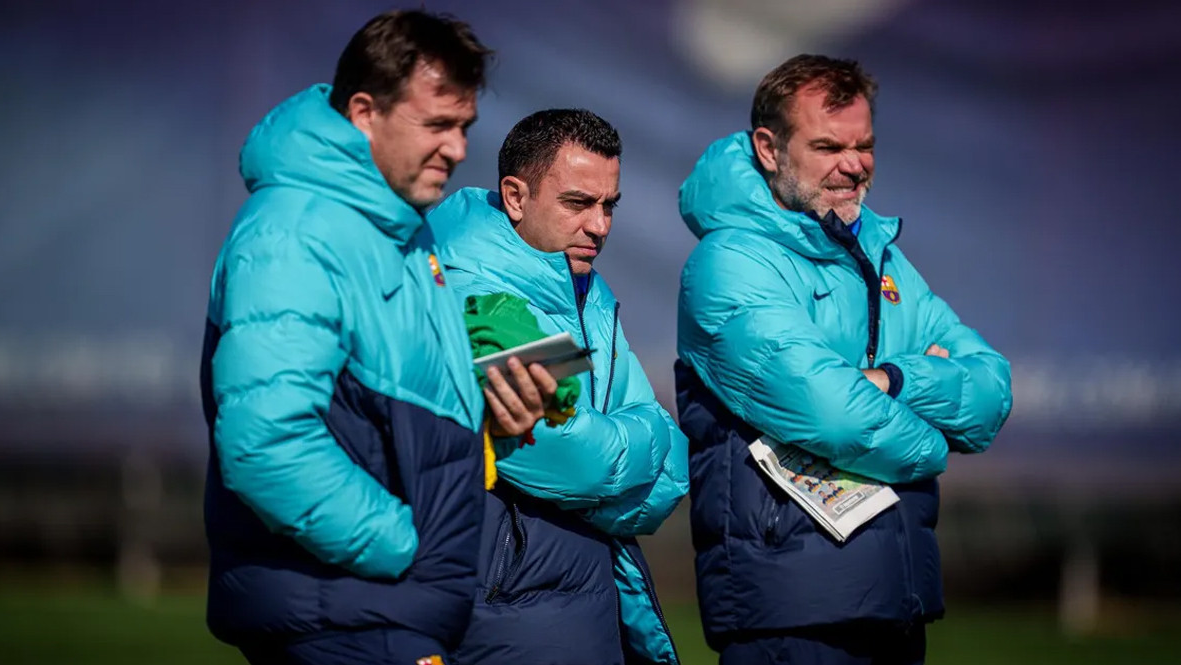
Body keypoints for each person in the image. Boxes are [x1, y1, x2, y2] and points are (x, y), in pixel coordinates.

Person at [199, 10, 558, 665]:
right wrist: (404, 544)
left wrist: (495, 413)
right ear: (364, 112)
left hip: (380, 613)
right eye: (437, 125)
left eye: (465, 127)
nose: (457, 148)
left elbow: (390, 409)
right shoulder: (295, 232)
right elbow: (265, 440)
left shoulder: (397, 229)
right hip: (349, 613)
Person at [674, 54, 1013, 664]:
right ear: (768, 148)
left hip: (896, 596)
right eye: (828, 145)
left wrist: (895, 377)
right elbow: (837, 416)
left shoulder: (879, 256)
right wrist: (935, 445)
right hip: (792, 607)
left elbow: (991, 390)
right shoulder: (729, 263)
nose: (854, 166)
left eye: (865, 146)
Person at [428, 109, 690, 665]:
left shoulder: (585, 287)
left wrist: (625, 440)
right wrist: (642, 437)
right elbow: (576, 456)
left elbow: (675, 466)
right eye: (578, 203)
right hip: (507, 611)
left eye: (609, 205)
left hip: (574, 599)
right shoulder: (480, 297)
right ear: (516, 196)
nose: (599, 225)